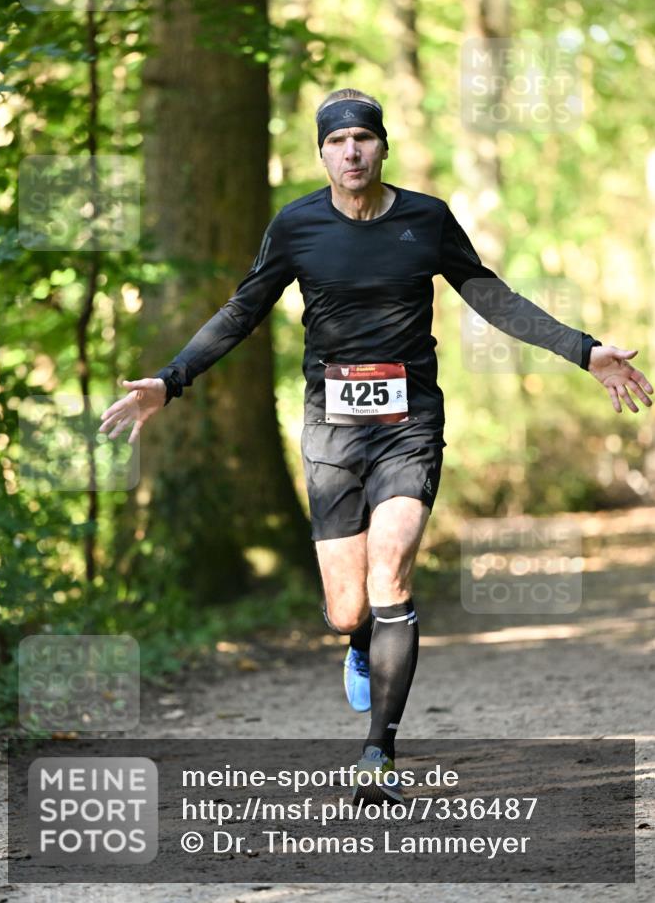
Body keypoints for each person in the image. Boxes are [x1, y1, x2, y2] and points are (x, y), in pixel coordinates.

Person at [99, 87, 653, 806]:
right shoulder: (296, 225)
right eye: (336, 141)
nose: (351, 151)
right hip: (331, 431)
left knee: (390, 575)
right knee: (344, 610)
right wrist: (169, 383)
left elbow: (491, 296)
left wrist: (584, 351)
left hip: (408, 423)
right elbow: (243, 310)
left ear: (382, 146)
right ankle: (358, 644)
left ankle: (376, 754)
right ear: (322, 152)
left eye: (362, 137)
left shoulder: (425, 219)